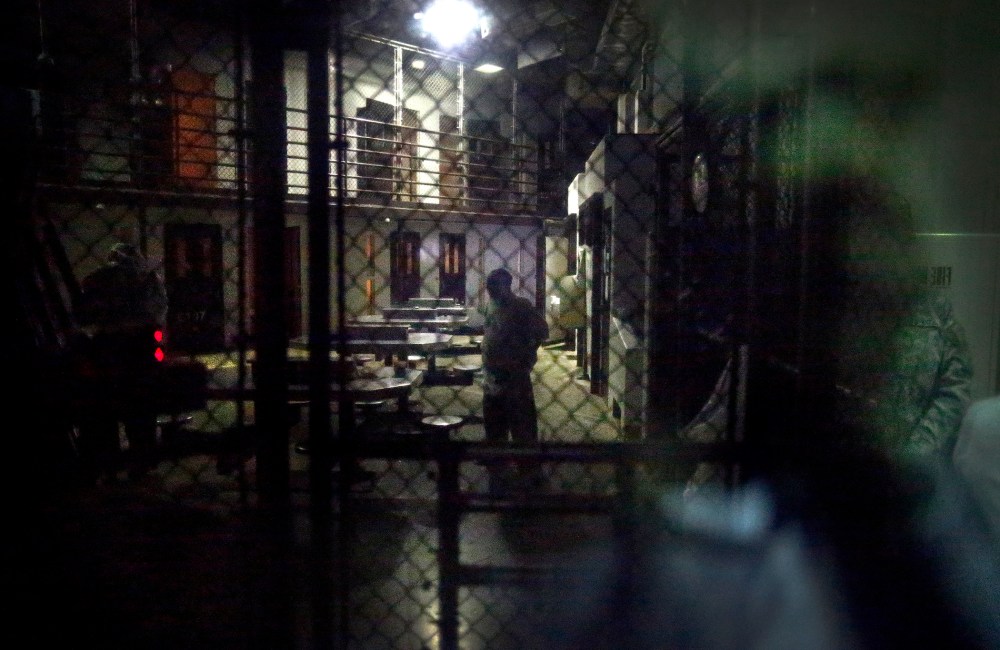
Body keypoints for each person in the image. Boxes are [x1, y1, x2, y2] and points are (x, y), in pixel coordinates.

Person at [73, 241, 168, 482]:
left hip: (108, 345)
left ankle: (110, 464)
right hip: (141, 346)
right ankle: (141, 463)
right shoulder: (147, 279)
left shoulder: (96, 280)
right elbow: (158, 310)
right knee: (141, 406)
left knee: (107, 406)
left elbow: (83, 316)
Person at [481, 268, 549, 460]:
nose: (490, 290)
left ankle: (526, 464)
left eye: (493, 287)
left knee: (521, 424)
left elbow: (542, 331)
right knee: (494, 423)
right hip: (492, 375)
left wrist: (527, 357)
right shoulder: (491, 305)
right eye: (489, 287)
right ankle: (496, 458)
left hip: (514, 376)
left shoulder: (521, 306)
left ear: (506, 286)